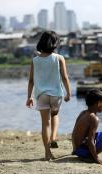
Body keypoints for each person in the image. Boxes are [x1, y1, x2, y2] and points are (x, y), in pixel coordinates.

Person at [26, 31, 71, 161]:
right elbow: (64, 77)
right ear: (55, 43)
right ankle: (53, 137)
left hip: (41, 95)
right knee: (55, 115)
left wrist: (29, 97)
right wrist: (69, 92)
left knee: (45, 123)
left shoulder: (35, 60)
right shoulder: (59, 58)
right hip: (56, 94)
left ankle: (47, 153)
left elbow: (31, 80)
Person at [72, 89, 102, 170]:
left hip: (78, 149)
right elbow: (90, 141)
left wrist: (74, 149)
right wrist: (96, 158)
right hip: (83, 152)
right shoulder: (94, 119)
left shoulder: (83, 113)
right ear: (98, 103)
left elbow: (74, 133)